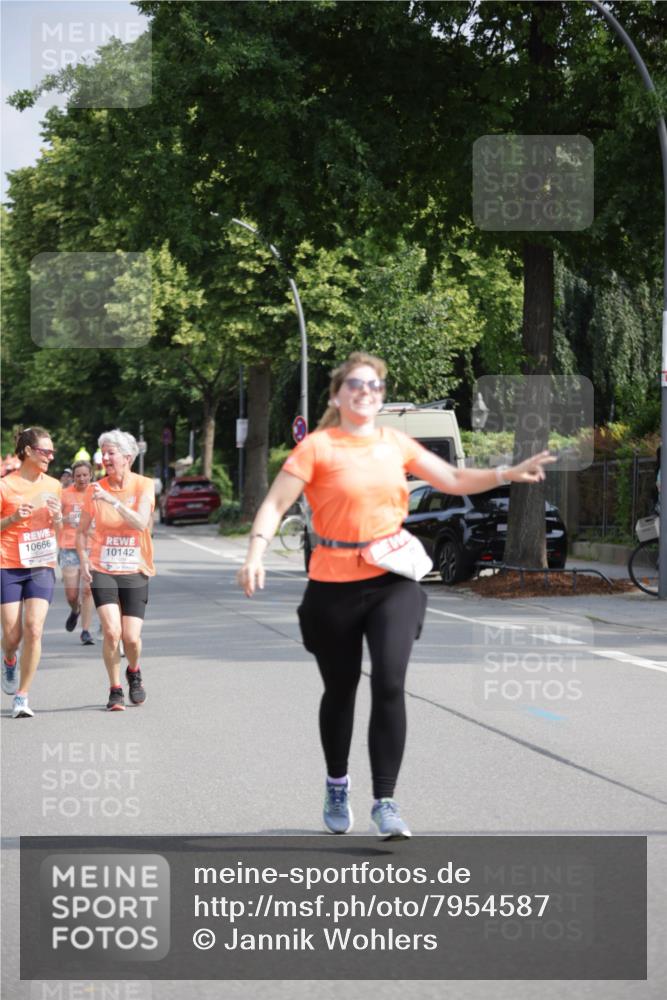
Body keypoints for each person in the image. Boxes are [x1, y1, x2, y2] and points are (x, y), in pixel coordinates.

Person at [237, 352, 555, 840]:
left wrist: (504, 474)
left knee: (389, 680)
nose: (367, 391)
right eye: (357, 385)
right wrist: (255, 553)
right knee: (341, 691)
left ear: (381, 396)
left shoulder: (395, 444)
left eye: (375, 386)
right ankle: (337, 783)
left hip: (392, 579)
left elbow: (451, 479)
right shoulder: (317, 449)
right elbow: (275, 504)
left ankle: (385, 800)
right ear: (337, 396)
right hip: (332, 584)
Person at [77, 429, 155, 711]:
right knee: (111, 632)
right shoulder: (94, 489)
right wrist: (84, 560)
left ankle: (133, 671)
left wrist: (112, 501)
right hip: (104, 568)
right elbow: (81, 532)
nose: (105, 458)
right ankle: (115, 689)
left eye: (111, 453)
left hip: (135, 568)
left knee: (131, 637)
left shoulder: (144, 485)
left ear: (128, 457)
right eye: (104, 453)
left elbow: (141, 522)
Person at [0, 427, 62, 718]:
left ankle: (22, 697)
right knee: (12, 637)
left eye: (52, 451)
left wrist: (60, 518)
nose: (50, 456)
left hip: (41, 563)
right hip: (9, 564)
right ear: (27, 451)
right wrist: (13, 518)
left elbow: (60, 529)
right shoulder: (5, 486)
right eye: (45, 451)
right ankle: (9, 659)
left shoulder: (54, 485)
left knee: (34, 629)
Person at [59, 460, 96, 644]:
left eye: (85, 475)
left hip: (91, 547)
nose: (82, 478)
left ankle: (86, 631)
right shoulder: (64, 495)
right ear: (73, 477)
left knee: (88, 590)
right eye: (78, 475)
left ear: (91, 475)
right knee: (72, 595)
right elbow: (54, 518)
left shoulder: (97, 494)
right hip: (69, 547)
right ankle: (75, 610)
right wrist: (66, 518)